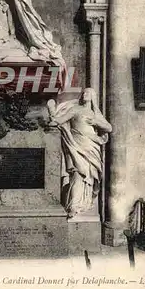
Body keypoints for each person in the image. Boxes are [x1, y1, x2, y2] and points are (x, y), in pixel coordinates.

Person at [47, 88, 112, 217]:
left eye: (88, 92)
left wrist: (95, 122)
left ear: (93, 96)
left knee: (89, 177)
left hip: (92, 148)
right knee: (78, 174)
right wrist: (52, 113)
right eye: (83, 93)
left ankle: (85, 204)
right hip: (76, 146)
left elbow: (109, 127)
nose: (84, 94)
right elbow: (59, 120)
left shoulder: (95, 113)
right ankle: (74, 206)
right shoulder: (75, 109)